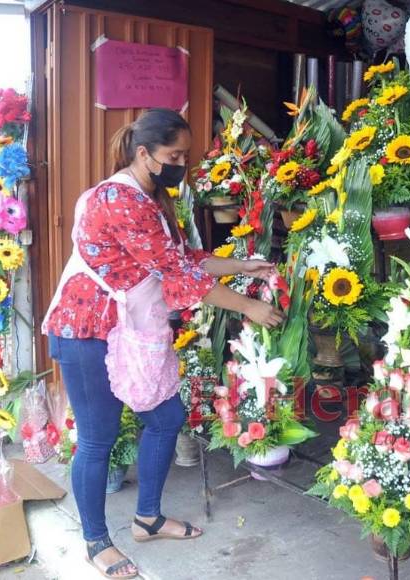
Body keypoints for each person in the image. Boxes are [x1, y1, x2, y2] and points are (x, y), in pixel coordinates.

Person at [43, 108, 284, 579]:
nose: (181, 165)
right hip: (88, 330)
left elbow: (183, 258)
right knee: (97, 438)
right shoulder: (120, 199)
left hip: (131, 328)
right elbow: (176, 274)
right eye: (174, 156)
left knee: (167, 417)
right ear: (144, 153)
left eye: (184, 156)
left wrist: (243, 266)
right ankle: (95, 541)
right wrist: (248, 306)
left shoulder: (150, 199)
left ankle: (147, 519)